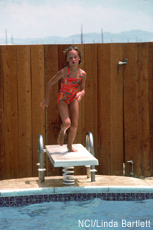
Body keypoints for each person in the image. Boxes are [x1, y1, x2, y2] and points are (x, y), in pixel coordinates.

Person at [40, 46, 87, 152]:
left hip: (74, 99)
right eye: (70, 58)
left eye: (75, 57)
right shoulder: (64, 72)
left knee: (75, 125)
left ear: (79, 59)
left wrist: (80, 93)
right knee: (67, 123)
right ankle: (62, 130)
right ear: (67, 60)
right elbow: (49, 83)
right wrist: (47, 100)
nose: (73, 60)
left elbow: (83, 89)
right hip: (63, 99)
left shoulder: (82, 74)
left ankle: (69, 146)